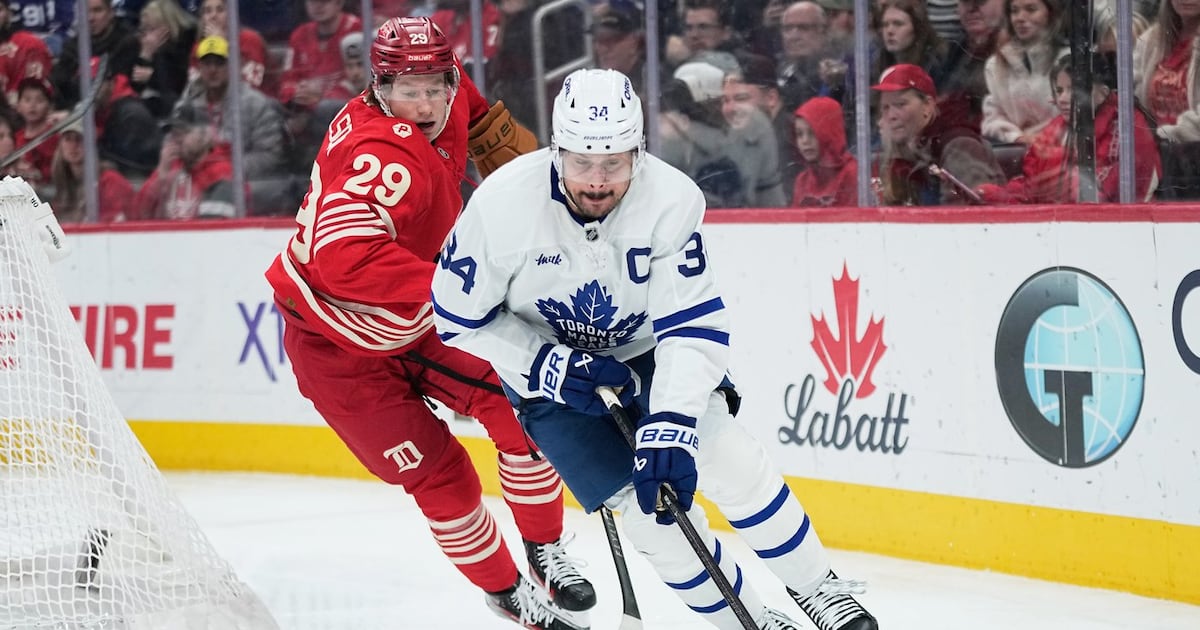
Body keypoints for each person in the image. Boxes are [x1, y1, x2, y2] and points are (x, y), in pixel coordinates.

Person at [430, 67, 879, 630]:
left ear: (638, 152)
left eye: (614, 163)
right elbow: (455, 317)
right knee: (654, 525)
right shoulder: (501, 208)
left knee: (728, 461)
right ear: (555, 150)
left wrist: (670, 421)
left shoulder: (670, 199)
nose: (597, 180)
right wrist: (541, 362)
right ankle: (759, 622)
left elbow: (691, 327)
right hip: (547, 376)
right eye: (582, 163)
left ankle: (821, 590)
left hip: (645, 352)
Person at [262, 17, 579, 630]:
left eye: (437, 84)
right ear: (378, 87)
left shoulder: (453, 100)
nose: (427, 102)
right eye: (409, 89)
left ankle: (546, 550)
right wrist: (465, 286)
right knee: (443, 475)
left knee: (523, 403)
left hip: (419, 317)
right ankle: (509, 590)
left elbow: (485, 126)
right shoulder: (381, 153)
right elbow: (343, 257)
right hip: (337, 346)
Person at [975, 53, 1161, 204]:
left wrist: (1062, 182)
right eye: (1059, 90)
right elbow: (1031, 188)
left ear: (1103, 93)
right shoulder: (1056, 130)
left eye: (1073, 89)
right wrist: (994, 195)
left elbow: (1108, 193)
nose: (1063, 99)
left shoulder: (1128, 128)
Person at [874, 63, 1005, 205]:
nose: (891, 115)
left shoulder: (959, 146)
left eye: (900, 104)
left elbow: (966, 217)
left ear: (927, 106)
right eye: (885, 107)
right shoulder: (899, 155)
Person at [792, 96, 857, 206]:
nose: (805, 141)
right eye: (799, 134)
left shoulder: (853, 174)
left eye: (812, 133)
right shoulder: (802, 181)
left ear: (829, 132)